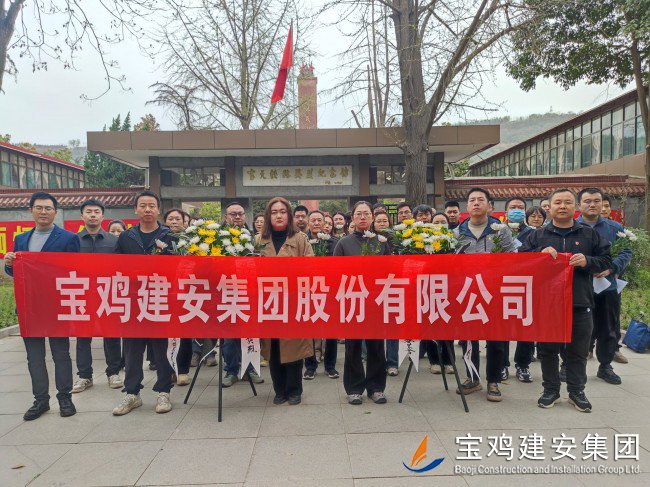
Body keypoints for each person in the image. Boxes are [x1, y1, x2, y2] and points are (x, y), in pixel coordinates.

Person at [521, 188, 611, 413]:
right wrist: (539, 254)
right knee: (547, 350)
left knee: (578, 352)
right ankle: (550, 390)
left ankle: (576, 391)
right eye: (558, 202)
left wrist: (587, 261)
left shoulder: (589, 235)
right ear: (549, 207)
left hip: (580, 303)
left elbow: (606, 260)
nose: (562, 206)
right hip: (547, 304)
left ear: (576, 207)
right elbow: (520, 261)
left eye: (567, 202)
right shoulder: (538, 235)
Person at [4, 192, 80, 420]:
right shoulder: (21, 239)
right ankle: (40, 400)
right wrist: (9, 264)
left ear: (55, 212)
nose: (43, 212)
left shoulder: (68, 238)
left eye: (48, 208)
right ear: (31, 210)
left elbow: (75, 270)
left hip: (56, 306)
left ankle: (65, 398)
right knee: (34, 356)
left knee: (61, 354)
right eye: (39, 208)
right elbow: (16, 273)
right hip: (29, 307)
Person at [112, 190, 177, 416]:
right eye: (143, 205)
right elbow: (115, 267)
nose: (147, 209)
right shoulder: (126, 237)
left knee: (161, 349)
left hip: (161, 300)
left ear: (158, 209)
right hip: (133, 302)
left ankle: (163, 391)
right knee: (132, 349)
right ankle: (132, 393)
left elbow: (180, 267)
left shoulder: (170, 236)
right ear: (135, 210)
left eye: (151, 206)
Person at [454, 187, 515, 402]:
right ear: (467, 206)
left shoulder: (501, 231)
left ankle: (493, 381)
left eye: (481, 200)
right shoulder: (457, 233)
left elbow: (512, 258)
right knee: (468, 339)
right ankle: (473, 378)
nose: (476, 203)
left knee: (496, 339)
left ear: (489, 205)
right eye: (472, 200)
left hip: (494, 292)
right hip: (467, 293)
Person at [257, 197, 314, 405]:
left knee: (294, 346)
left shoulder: (300, 239)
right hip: (268, 302)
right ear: (268, 216)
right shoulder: (258, 241)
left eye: (282, 212)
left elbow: (311, 267)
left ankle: (294, 390)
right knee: (273, 347)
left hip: (293, 301)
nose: (279, 215)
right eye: (274, 212)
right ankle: (279, 390)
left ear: (289, 216)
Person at [334, 201, 391, 405]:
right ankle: (354, 388)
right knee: (353, 346)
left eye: (366, 213)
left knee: (376, 346)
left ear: (373, 217)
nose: (363, 217)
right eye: (359, 214)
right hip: (353, 300)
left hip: (376, 301)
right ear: (353, 218)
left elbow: (389, 271)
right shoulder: (344, 243)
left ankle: (376, 387)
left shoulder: (381, 242)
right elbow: (335, 274)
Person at [576, 188, 632, 381]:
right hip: (579, 286)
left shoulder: (614, 228)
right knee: (577, 326)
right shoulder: (571, 227)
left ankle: (605, 366)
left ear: (602, 204)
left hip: (607, 285)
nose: (592, 204)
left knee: (608, 326)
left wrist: (611, 268)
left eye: (596, 201)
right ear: (579, 205)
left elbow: (626, 252)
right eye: (587, 201)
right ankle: (571, 365)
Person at [72, 199, 123, 394]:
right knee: (83, 337)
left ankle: (113, 372)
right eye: (88, 211)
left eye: (96, 212)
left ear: (102, 216)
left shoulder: (114, 241)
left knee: (112, 335)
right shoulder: (73, 240)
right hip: (82, 294)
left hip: (108, 294)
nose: (92, 215)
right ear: (82, 216)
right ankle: (85, 376)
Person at [221, 202, 264, 387]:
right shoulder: (217, 239)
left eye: (240, 213)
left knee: (250, 333)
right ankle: (231, 370)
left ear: (245, 217)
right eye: (233, 214)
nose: (237, 217)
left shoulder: (254, 239)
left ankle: (250, 369)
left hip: (249, 292)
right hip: (226, 293)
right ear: (226, 217)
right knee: (229, 337)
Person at [303, 210, 340, 380]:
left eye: (320, 220)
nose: (317, 223)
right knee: (308, 330)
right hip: (307, 291)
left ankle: (330, 366)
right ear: (308, 223)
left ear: (325, 223)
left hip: (329, 291)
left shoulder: (335, 243)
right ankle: (310, 366)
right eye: (313, 220)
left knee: (331, 331)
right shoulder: (302, 240)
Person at [502, 197, 535, 383]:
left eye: (520, 207)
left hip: (526, 285)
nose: (517, 210)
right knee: (502, 328)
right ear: (506, 211)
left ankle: (523, 365)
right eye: (513, 207)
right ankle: (502, 364)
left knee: (525, 328)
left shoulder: (534, 233)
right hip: (502, 285)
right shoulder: (497, 231)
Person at [163, 208, 194, 387]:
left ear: (184, 221)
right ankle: (169, 369)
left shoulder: (191, 240)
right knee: (167, 332)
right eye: (170, 218)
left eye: (177, 219)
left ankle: (182, 370)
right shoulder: (159, 240)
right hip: (165, 290)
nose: (174, 221)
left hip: (186, 291)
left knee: (185, 332)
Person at [385, 201, 414, 376]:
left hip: (410, 285)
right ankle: (390, 362)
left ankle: (412, 355)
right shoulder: (392, 236)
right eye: (401, 213)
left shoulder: (420, 234)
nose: (404, 215)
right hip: (390, 284)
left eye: (406, 212)